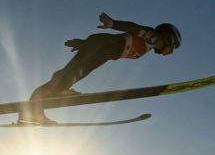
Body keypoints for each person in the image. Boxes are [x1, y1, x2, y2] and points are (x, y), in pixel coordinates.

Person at [19, 12, 181, 124]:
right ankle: (36, 107)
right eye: (172, 48)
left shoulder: (150, 45)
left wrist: (83, 44)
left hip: (103, 51)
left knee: (74, 74)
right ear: (168, 38)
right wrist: (113, 24)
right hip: (102, 45)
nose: (170, 53)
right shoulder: (153, 38)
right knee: (69, 74)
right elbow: (135, 28)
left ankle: (33, 113)